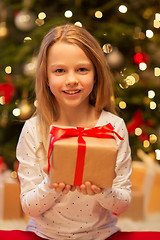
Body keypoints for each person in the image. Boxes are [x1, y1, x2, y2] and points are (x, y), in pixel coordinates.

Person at [1, 23, 159, 240]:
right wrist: (52, 185)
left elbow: (122, 204)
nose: (72, 79)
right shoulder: (34, 130)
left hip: (101, 235)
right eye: (59, 70)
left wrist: (103, 191)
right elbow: (29, 207)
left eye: (82, 69)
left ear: (96, 74)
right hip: (43, 235)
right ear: (46, 78)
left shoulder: (113, 127)